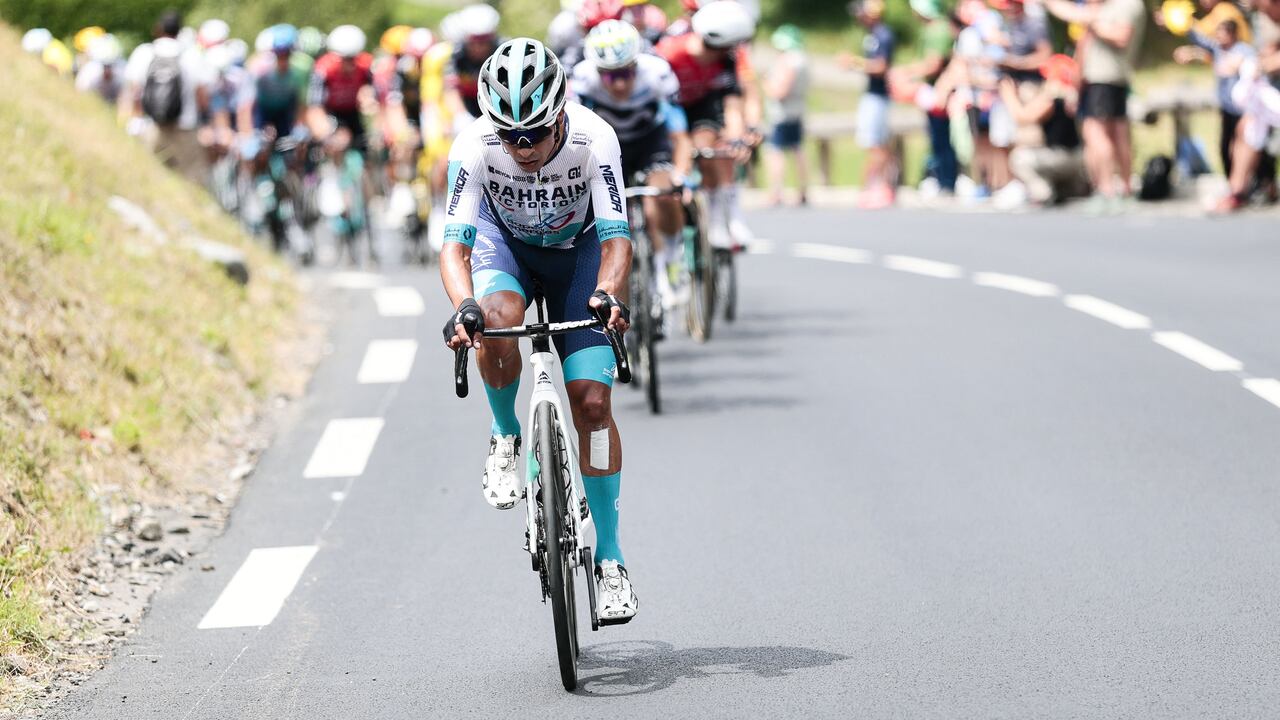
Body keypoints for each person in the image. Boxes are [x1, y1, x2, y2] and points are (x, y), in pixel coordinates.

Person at [439, 37, 639, 623]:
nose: (522, 147)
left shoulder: (593, 136)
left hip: (578, 255)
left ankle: (610, 560)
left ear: (559, 113)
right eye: (510, 135)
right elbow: (454, 247)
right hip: (509, 250)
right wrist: (463, 306)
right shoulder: (473, 145)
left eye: (534, 133)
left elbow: (616, 236)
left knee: (593, 403)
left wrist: (607, 293)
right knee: (495, 323)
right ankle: (505, 435)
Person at [573, 19, 691, 309]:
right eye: (611, 77)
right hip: (608, 149)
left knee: (662, 193)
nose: (621, 84)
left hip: (651, 143)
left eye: (626, 72)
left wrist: (682, 175)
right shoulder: (582, 78)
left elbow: (679, 132)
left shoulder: (657, 73)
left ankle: (672, 258)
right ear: (597, 71)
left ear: (637, 64)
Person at [656, 0, 756, 247]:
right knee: (681, 151)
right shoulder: (669, 52)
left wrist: (736, 139)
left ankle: (721, 215)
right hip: (671, 106)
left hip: (702, 105)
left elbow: (732, 105)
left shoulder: (726, 59)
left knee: (711, 148)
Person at [1045, 0, 1146, 211]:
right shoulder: (1105, 8)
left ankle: (1109, 190)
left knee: (1097, 133)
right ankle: (1121, 189)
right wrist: (1076, 84)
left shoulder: (1125, 6)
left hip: (1105, 77)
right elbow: (1083, 44)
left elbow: (1121, 37)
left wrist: (1093, 23)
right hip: (1100, 79)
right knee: (1116, 133)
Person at [122, 10, 213, 182]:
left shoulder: (144, 52)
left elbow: (134, 92)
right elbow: (202, 97)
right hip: (185, 128)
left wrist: (134, 120)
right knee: (192, 181)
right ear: (179, 31)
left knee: (148, 178)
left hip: (152, 126)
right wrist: (206, 123)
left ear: (158, 29)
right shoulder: (191, 55)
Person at [1175, 17, 1263, 184]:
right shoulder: (1218, 50)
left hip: (1244, 110)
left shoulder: (1244, 51)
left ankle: (1250, 183)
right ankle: (1232, 184)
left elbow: (1247, 67)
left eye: (1222, 34)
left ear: (1233, 34)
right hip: (1227, 108)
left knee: (1247, 147)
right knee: (1224, 147)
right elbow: (1201, 44)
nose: (1219, 38)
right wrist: (1184, 24)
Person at [999, 54, 1090, 205]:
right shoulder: (1077, 96)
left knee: (1019, 158)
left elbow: (1023, 118)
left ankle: (1042, 192)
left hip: (1060, 157)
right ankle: (1069, 189)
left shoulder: (1052, 98)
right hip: (1079, 156)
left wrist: (1009, 96)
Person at [889, 0, 957, 195]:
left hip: (941, 91)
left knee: (942, 137)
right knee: (938, 137)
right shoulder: (936, 29)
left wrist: (907, 73)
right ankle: (942, 179)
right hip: (935, 90)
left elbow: (933, 64)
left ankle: (947, 181)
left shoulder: (937, 30)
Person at [842, 0, 896, 209]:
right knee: (876, 143)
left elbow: (881, 66)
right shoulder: (873, 34)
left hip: (878, 95)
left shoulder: (882, 35)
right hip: (874, 95)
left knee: (875, 143)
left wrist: (855, 63)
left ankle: (876, 187)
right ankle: (881, 187)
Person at [763, 24, 811, 206]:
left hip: (781, 113)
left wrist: (766, 84)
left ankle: (776, 191)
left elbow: (780, 90)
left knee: (775, 152)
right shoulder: (803, 59)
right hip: (797, 110)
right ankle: (803, 188)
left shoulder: (788, 61)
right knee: (797, 149)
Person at [443, 4, 503, 126]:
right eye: (473, 42)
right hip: (467, 106)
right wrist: (461, 116)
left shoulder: (504, 51)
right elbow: (450, 89)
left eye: (484, 42)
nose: (478, 48)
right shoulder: (456, 54)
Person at [75, 34, 126, 105]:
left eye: (110, 66)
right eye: (105, 66)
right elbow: (80, 94)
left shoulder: (121, 72)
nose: (107, 70)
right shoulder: (90, 72)